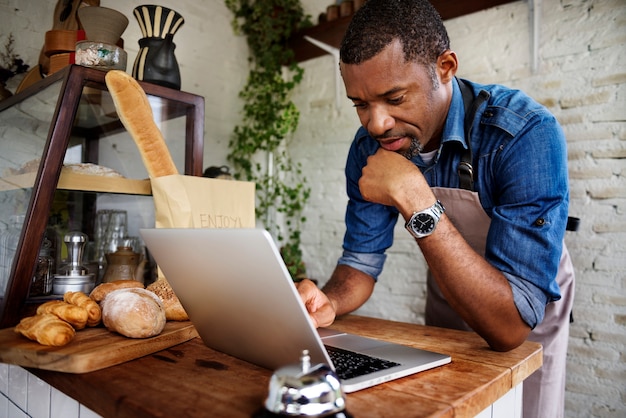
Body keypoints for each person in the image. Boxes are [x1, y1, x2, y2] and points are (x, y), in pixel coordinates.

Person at [295, 1, 575, 417]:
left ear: (445, 66)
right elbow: (360, 262)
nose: (376, 124)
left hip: (528, 314)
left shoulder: (524, 135)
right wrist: (330, 301)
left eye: (394, 98)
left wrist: (414, 196)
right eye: (360, 103)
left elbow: (508, 328)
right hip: (448, 299)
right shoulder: (370, 147)